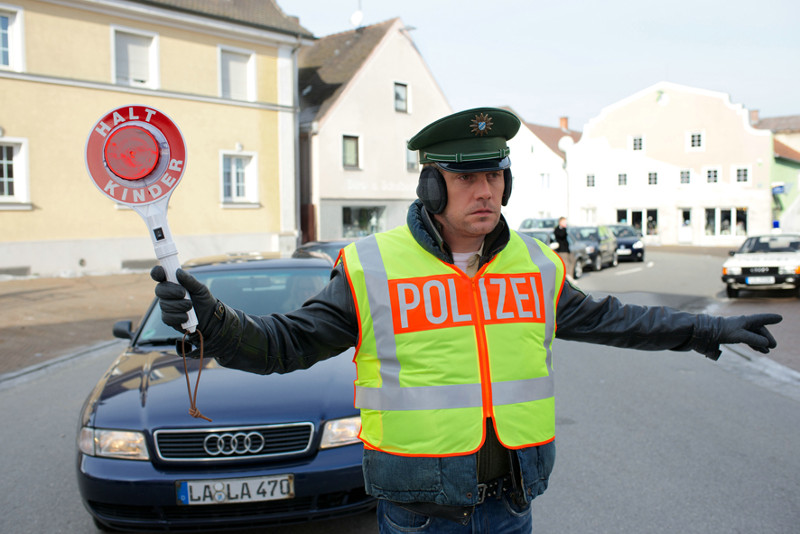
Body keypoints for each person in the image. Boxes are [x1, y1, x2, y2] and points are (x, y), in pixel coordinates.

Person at [152, 107, 781, 533]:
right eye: (465, 177)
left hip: (512, 502)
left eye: (495, 175)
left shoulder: (533, 263)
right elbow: (281, 345)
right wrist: (211, 321)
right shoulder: (373, 267)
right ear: (430, 186)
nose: (485, 190)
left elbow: (610, 319)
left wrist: (702, 329)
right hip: (420, 511)